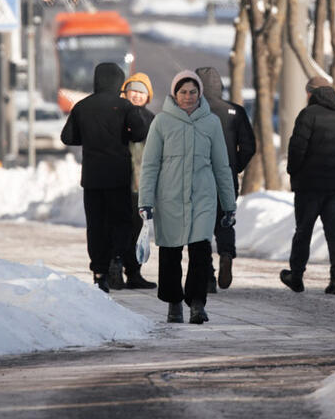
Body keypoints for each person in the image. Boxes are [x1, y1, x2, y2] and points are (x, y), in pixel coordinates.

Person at [138, 70, 237, 324]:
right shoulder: (161, 122)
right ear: (175, 94)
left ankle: (196, 304)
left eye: (193, 92)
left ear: (200, 93)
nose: (188, 96)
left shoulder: (211, 122)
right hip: (169, 197)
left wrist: (229, 205)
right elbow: (150, 165)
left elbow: (221, 166)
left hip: (203, 197)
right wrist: (145, 201)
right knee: (170, 253)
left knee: (200, 251)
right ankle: (174, 303)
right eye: (183, 92)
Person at [61, 62, 147, 293]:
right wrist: (124, 135)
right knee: (121, 221)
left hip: (92, 177)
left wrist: (88, 138)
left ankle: (99, 272)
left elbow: (67, 137)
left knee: (96, 225)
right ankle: (117, 258)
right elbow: (140, 133)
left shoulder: (82, 106)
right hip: (118, 175)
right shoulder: (125, 106)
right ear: (119, 81)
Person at [280, 76, 335, 295]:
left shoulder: (308, 115)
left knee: (303, 230)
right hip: (334, 185)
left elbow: (297, 148)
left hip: (309, 185)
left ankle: (296, 276)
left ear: (311, 93)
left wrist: (294, 171)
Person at [195, 67, 256, 292]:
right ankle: (227, 254)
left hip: (198, 179)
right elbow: (249, 146)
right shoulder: (235, 111)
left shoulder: (191, 111)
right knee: (225, 220)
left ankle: (207, 277)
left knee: (200, 227)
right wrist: (234, 166)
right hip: (226, 178)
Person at [120, 72, 157, 289]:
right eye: (133, 90)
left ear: (148, 96)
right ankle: (115, 268)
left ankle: (134, 272)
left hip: (141, 182)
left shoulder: (152, 119)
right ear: (125, 92)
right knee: (119, 226)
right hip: (120, 179)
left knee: (137, 228)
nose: (136, 95)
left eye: (141, 92)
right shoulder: (117, 114)